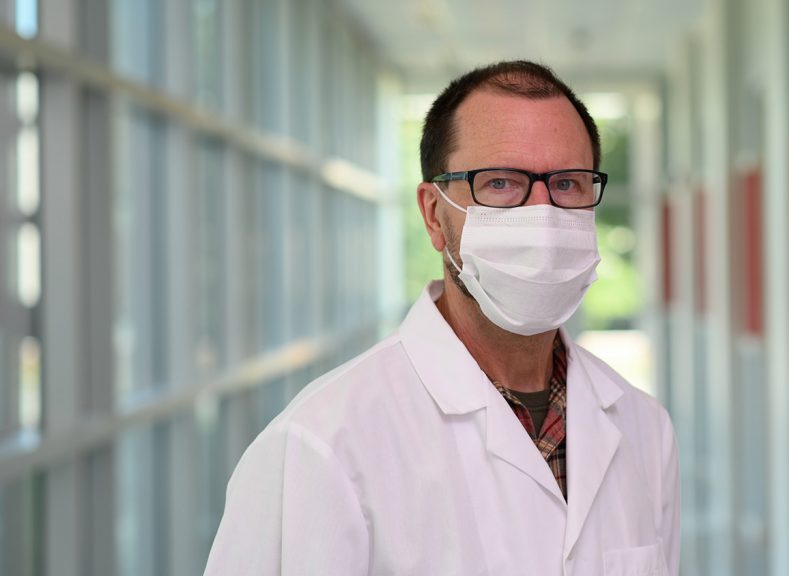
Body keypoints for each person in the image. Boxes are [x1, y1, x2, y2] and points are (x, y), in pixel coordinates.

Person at [204, 60, 680, 575]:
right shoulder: (319, 445)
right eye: (500, 182)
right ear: (434, 215)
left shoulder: (643, 428)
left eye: (567, 183)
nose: (541, 213)